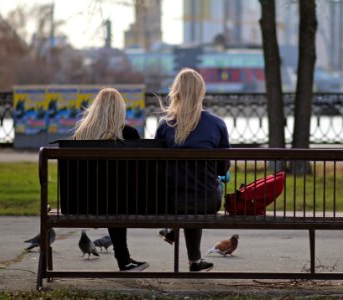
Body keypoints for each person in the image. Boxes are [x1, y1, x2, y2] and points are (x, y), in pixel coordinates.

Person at [155, 68, 231, 272]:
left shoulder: (165, 125)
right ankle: (194, 262)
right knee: (197, 194)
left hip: (171, 201)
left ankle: (173, 229)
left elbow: (156, 166)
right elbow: (223, 168)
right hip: (207, 199)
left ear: (176, 92)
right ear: (201, 92)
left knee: (186, 197)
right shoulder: (216, 124)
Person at [73, 87, 149, 272]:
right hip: (120, 204)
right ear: (119, 109)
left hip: (82, 204)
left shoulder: (81, 134)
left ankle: (124, 260)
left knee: (111, 198)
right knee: (116, 198)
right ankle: (123, 260)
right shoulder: (128, 134)